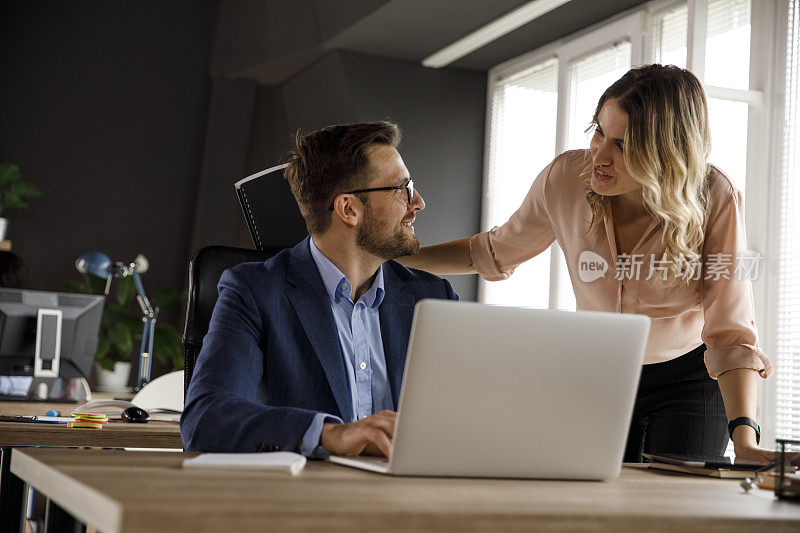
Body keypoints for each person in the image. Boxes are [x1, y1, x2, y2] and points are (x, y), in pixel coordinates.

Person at [400, 64, 777, 464]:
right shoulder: (565, 179)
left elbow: (731, 333)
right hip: (599, 369)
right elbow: (491, 251)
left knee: (667, 511)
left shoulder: (716, 198)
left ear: (666, 154)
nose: (599, 154)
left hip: (686, 377)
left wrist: (745, 442)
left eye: (623, 145)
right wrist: (390, 256)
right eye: (599, 131)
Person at [181, 121, 458, 457]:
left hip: (412, 497)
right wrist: (331, 434)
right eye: (402, 188)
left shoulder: (432, 298)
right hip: (308, 500)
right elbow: (205, 421)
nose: (419, 202)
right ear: (349, 209)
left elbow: (470, 415)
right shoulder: (255, 292)